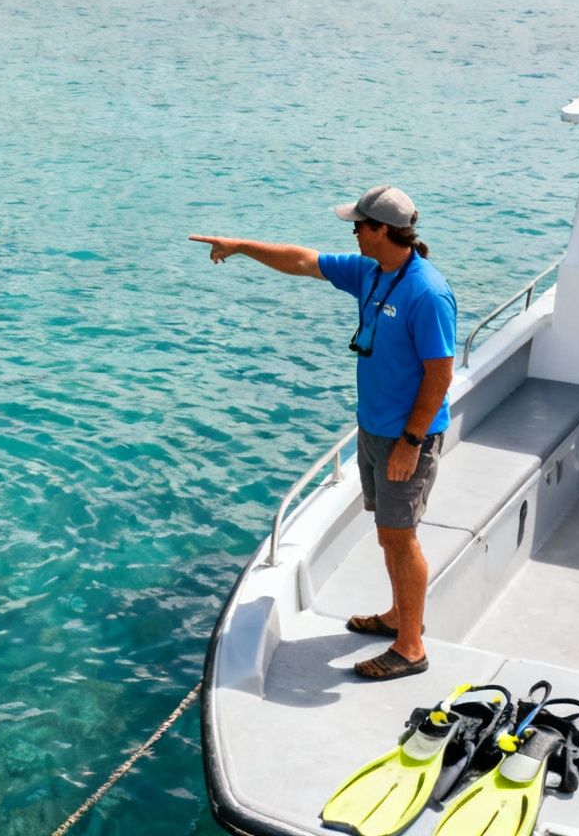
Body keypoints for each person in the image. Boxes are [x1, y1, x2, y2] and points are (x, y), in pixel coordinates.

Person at [190, 185, 456, 681]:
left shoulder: (426, 291)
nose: (353, 231)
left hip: (405, 440)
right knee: (387, 535)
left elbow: (441, 374)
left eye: (359, 224)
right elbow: (302, 261)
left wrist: (411, 442)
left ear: (381, 230)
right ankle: (400, 617)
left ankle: (411, 647)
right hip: (375, 429)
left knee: (401, 539)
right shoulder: (372, 274)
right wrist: (242, 245)